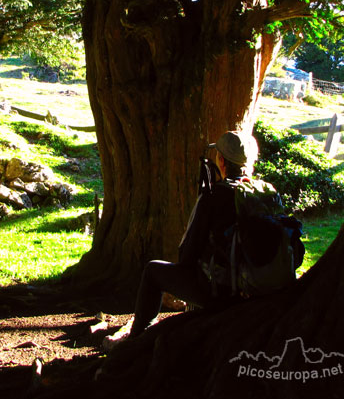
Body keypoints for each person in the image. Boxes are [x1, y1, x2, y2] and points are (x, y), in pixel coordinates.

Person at [104, 130, 259, 347]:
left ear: (221, 160)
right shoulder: (263, 194)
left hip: (220, 294)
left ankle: (137, 340)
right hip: (256, 293)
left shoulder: (214, 196)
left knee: (152, 271)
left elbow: (186, 256)